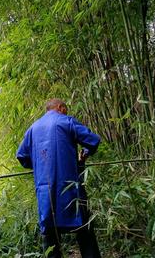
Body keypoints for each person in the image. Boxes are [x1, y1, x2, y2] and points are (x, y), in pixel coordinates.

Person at [16, 99, 101, 258]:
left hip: (45, 195)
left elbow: (21, 156)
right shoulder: (66, 121)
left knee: (50, 241)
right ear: (60, 108)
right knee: (85, 233)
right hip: (70, 192)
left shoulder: (32, 129)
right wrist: (84, 154)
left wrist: (40, 165)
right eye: (66, 110)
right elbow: (93, 140)